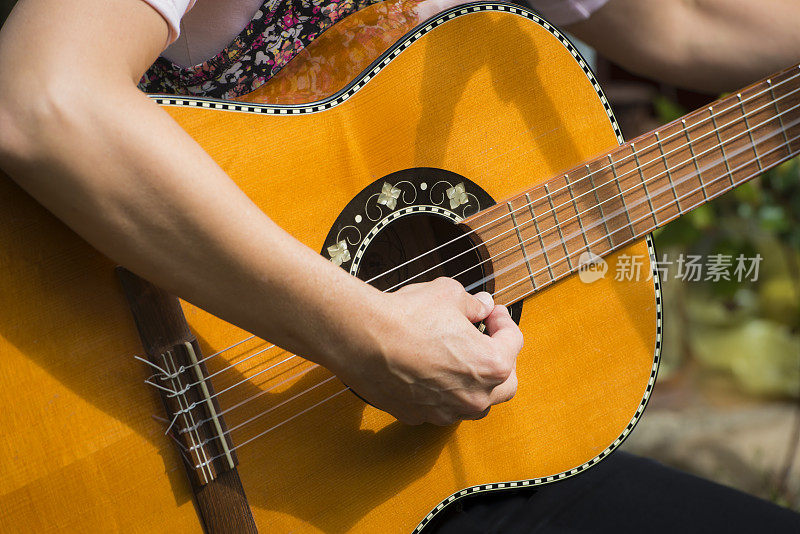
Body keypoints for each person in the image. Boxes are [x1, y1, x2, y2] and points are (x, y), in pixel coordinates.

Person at [0, 0, 798, 531]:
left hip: (407, 468)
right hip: (121, 402)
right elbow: (44, 99)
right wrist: (369, 338)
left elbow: (688, 21)